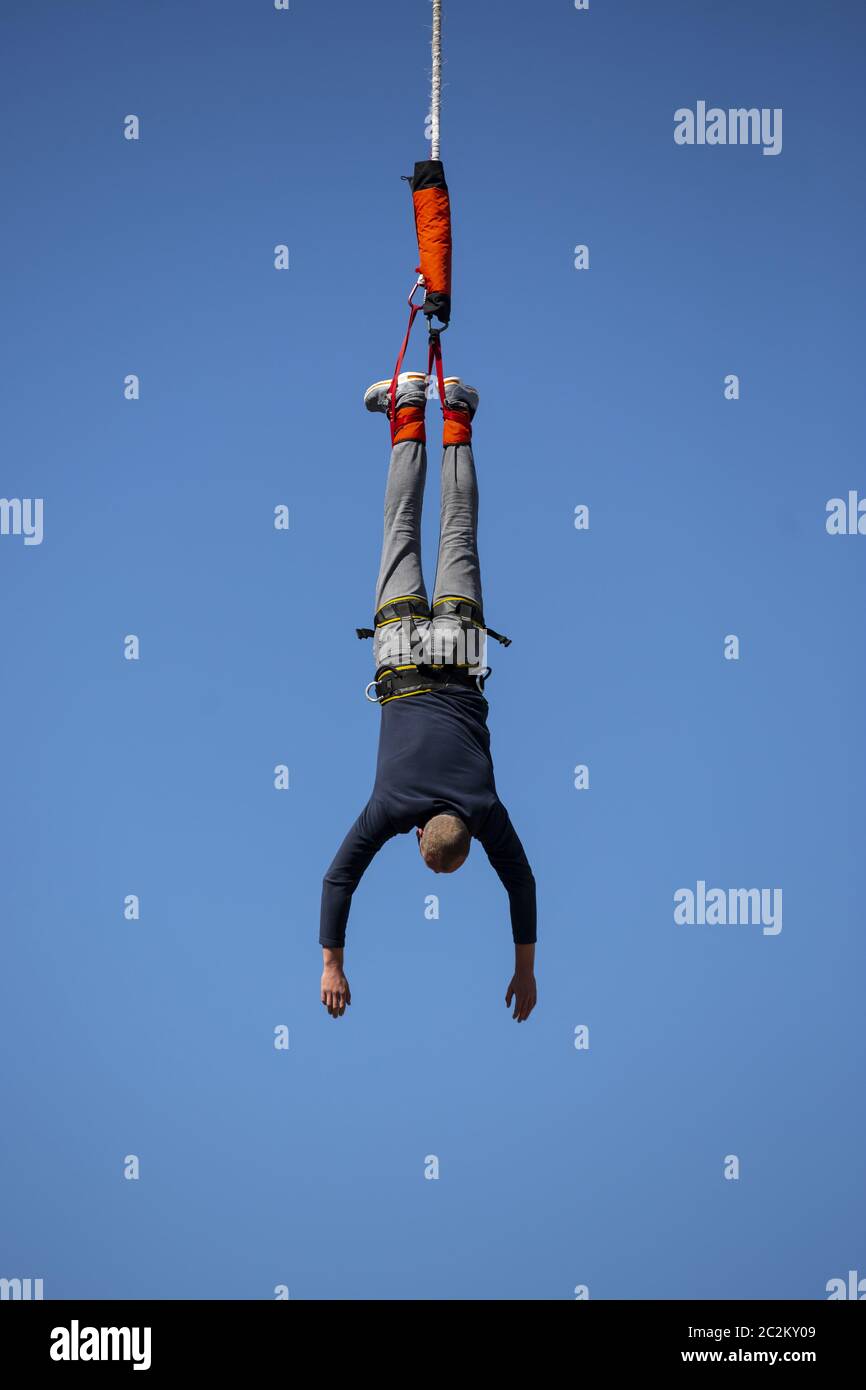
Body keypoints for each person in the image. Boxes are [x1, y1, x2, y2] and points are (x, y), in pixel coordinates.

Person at [319, 369, 537, 1022]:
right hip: (401, 655)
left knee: (458, 533)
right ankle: (408, 406)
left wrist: (527, 969)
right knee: (401, 529)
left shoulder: (486, 808)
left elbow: (522, 885)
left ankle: (459, 413)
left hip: (461, 652)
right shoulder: (390, 806)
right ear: (418, 840)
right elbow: (339, 879)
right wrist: (332, 962)